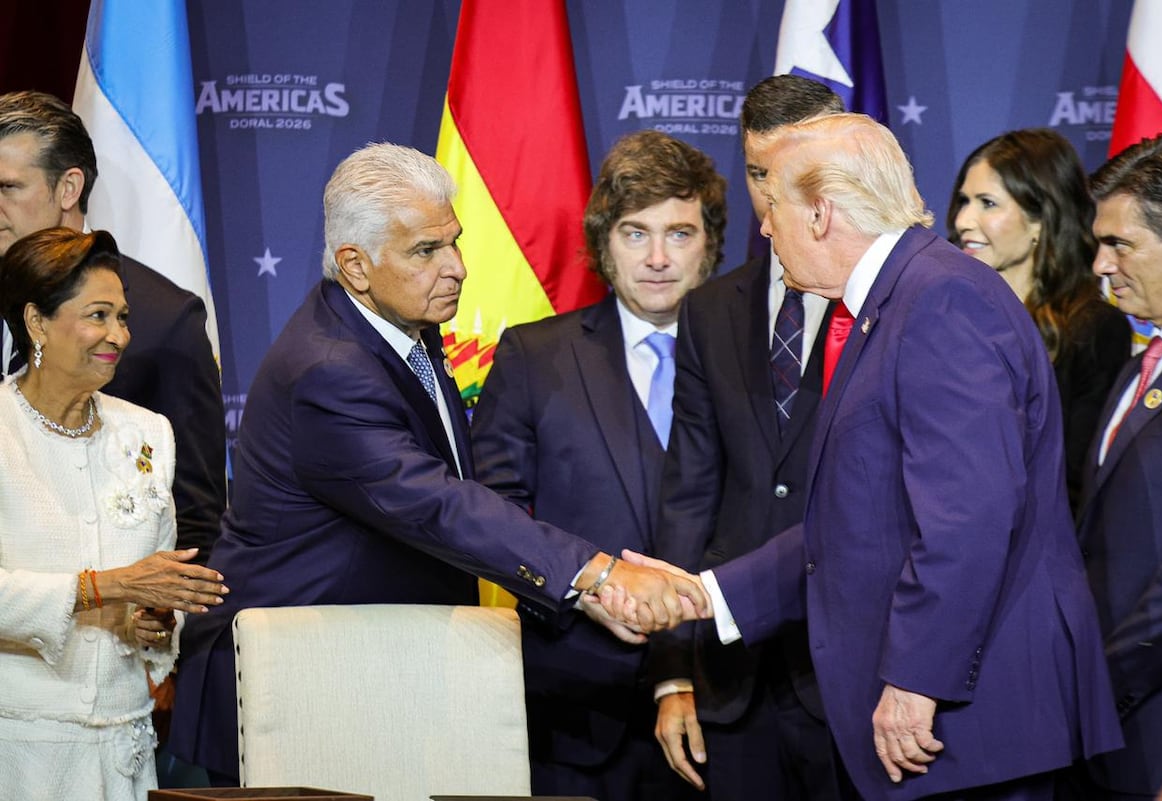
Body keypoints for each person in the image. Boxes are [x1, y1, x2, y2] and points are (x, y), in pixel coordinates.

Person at [610, 113, 1123, 800]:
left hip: (968, 721)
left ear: (821, 213)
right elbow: (856, 522)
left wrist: (917, 679)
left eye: (774, 209)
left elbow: (968, 518)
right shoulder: (893, 302)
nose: (765, 230)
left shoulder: (941, 300)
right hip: (944, 724)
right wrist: (706, 594)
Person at [168, 142, 710, 786]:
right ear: (356, 265)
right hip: (290, 682)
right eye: (425, 251)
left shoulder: (400, 329)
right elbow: (436, 503)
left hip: (366, 668)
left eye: (453, 242)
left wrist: (583, 589)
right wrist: (597, 573)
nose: (456, 267)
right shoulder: (330, 369)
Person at [471, 129, 723, 801]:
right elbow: (492, 517)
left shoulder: (756, 366)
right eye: (636, 234)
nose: (658, 259)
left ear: (710, 244)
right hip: (574, 712)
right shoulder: (534, 357)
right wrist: (583, 590)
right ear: (603, 244)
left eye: (680, 234)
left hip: (726, 706)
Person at [649, 74, 844, 800]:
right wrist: (672, 671)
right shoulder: (709, 310)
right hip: (730, 681)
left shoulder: (893, 303)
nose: (772, 195)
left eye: (793, 170)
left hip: (848, 675)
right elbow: (689, 493)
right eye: (759, 173)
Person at [0, 227, 227, 800]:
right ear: (36, 322)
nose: (119, 335)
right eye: (98, 316)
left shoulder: (147, 434)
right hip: (20, 751)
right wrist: (107, 587)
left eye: (123, 317)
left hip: (126, 751)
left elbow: (156, 583)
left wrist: (156, 621)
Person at [0, 90, 225, 563]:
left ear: (69, 188)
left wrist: (138, 602)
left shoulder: (164, 320)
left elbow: (194, 523)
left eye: (7, 187)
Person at [1075, 131, 1162, 799]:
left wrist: (1101, 681)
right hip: (1115, 732)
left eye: (1119, 244)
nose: (1100, 264)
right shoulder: (1137, 368)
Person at [948, 128, 1131, 512]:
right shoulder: (945, 319)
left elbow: (1077, 478)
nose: (964, 220)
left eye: (988, 203)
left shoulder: (1093, 330)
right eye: (964, 201)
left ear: (1041, 220)